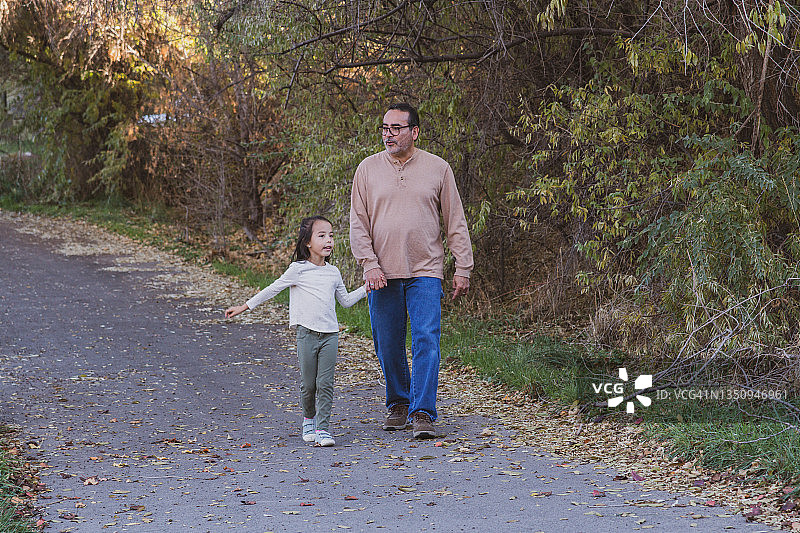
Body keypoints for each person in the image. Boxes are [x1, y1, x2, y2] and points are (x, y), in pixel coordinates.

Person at [349, 102, 473, 439]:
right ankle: (399, 403)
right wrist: (369, 264)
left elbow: (455, 220)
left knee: (425, 340)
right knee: (387, 343)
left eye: (396, 128)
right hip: (381, 273)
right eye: (385, 128)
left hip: (426, 269)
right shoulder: (367, 169)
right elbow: (358, 224)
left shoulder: (437, 168)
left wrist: (463, 265)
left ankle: (422, 413)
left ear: (414, 132)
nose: (388, 134)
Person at [225, 216, 366, 447]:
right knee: (309, 385)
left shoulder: (334, 273)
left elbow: (347, 302)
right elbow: (272, 289)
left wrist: (366, 288)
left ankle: (323, 429)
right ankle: (308, 419)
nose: (328, 240)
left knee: (326, 384)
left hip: (330, 335)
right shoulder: (297, 270)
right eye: (321, 236)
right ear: (307, 242)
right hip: (307, 335)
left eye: (331, 235)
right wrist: (244, 307)